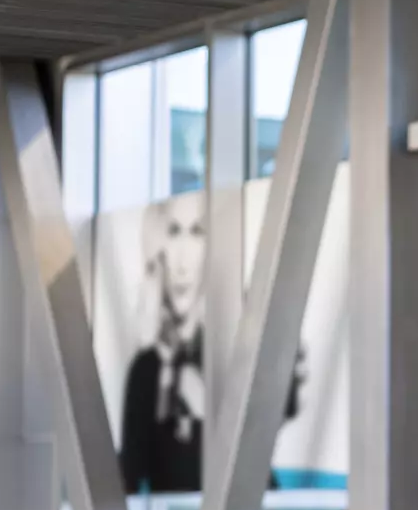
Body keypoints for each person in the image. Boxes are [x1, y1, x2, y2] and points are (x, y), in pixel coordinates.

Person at [119, 198, 305, 494]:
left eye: (196, 233)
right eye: (173, 232)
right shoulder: (147, 370)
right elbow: (129, 475)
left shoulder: (232, 356)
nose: (182, 261)